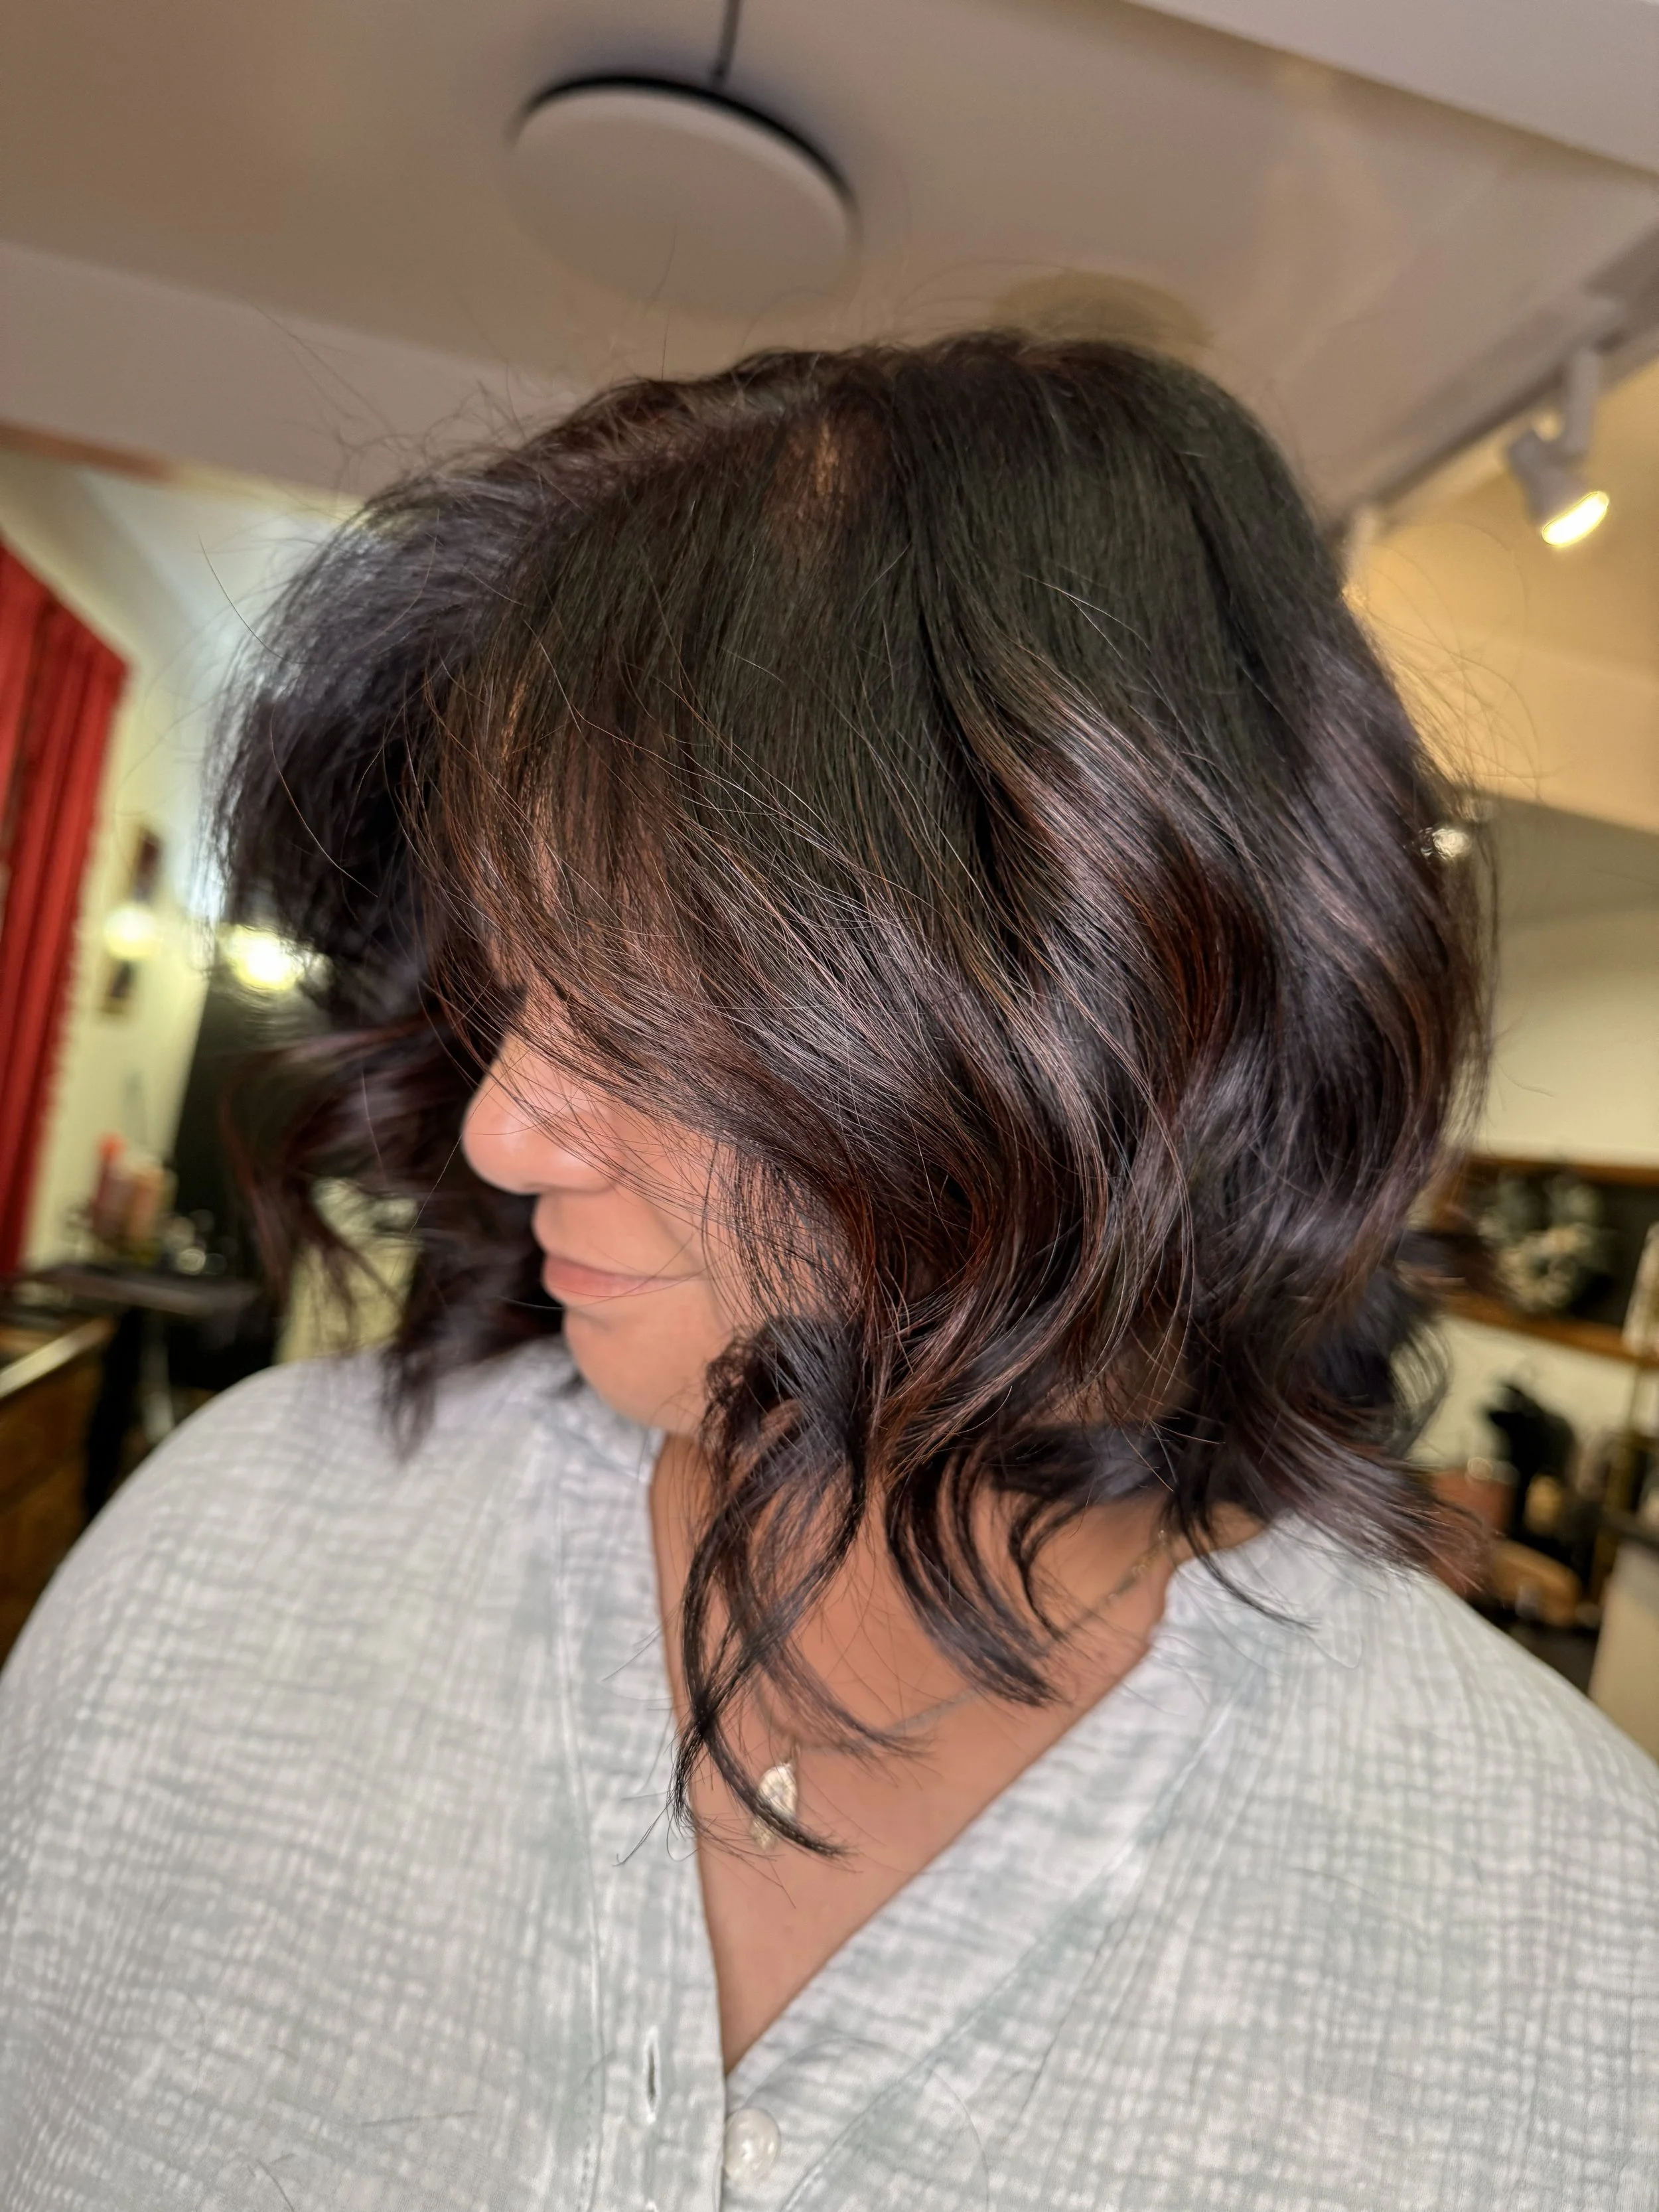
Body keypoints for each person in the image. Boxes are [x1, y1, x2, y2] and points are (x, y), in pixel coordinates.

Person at [1, 335, 1654, 2211]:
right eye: (511, 976)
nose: (499, 1130)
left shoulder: (1569, 1941)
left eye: (639, 1000)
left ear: (1089, 1015)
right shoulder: (246, 1545)